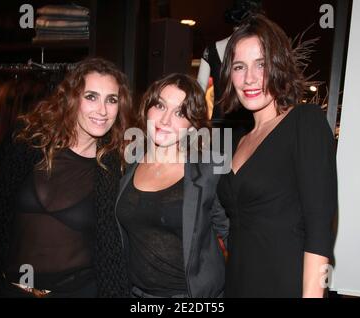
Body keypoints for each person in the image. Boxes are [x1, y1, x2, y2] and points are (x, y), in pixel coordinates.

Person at [0, 57, 132, 297]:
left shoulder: (117, 164)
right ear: (72, 98)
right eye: (91, 97)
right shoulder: (25, 143)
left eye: (111, 100)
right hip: (9, 289)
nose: (102, 110)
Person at [217, 14, 337, 297]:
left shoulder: (304, 122)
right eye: (239, 66)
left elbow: (319, 233)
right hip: (236, 286)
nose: (249, 78)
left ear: (279, 65)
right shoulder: (236, 140)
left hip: (286, 285)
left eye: (261, 64)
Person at [116, 73, 228, 298]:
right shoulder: (127, 164)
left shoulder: (209, 169)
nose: (165, 120)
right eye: (160, 106)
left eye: (179, 113)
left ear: (193, 123)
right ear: (147, 109)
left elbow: (234, 234)